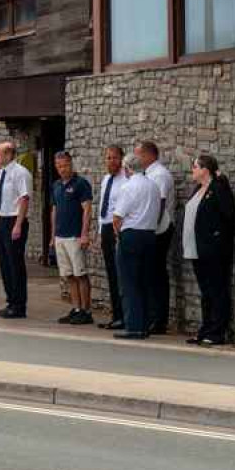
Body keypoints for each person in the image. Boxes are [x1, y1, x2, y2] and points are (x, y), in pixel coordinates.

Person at [183, 155, 235, 346]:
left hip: (213, 249)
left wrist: (216, 236)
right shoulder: (198, 189)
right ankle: (205, 328)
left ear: (205, 169)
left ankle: (217, 332)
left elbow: (229, 216)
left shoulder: (218, 189)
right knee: (205, 291)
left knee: (217, 290)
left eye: (195, 167)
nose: (193, 170)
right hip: (197, 248)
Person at [112, 155, 161, 340]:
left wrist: (119, 235)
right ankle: (145, 324)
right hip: (149, 234)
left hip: (131, 234)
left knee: (129, 282)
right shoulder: (153, 186)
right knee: (144, 282)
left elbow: (117, 217)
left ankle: (133, 325)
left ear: (127, 168)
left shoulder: (128, 186)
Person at [51, 151, 94, 326]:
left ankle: (86, 310)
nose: (62, 169)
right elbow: (54, 211)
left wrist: (84, 233)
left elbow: (87, 209)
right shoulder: (56, 185)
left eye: (65, 165)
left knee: (80, 274)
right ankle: (76, 309)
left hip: (75, 236)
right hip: (60, 236)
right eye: (59, 166)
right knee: (68, 275)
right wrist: (53, 235)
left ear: (71, 164)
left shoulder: (81, 184)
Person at [137, 140, 175, 335]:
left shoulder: (159, 175)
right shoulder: (149, 174)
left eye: (140, 155)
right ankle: (152, 315)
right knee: (150, 273)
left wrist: (150, 228)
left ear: (150, 155)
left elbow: (158, 204)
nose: (138, 159)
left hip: (160, 229)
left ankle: (159, 319)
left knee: (157, 274)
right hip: (152, 228)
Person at [0, 142, 32, 319]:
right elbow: (0, 201)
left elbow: (24, 199)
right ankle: (10, 301)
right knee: (4, 263)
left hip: (14, 219)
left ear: (9, 154)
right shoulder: (1, 172)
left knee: (15, 264)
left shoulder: (20, 172)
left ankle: (19, 305)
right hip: (1, 219)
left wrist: (18, 224)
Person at [97, 146, 129, 330]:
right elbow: (104, 205)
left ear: (122, 159)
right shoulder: (106, 179)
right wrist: (100, 230)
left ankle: (125, 316)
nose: (111, 161)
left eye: (114, 158)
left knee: (120, 274)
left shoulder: (126, 179)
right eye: (108, 158)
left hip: (119, 227)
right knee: (111, 273)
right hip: (106, 227)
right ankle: (116, 315)